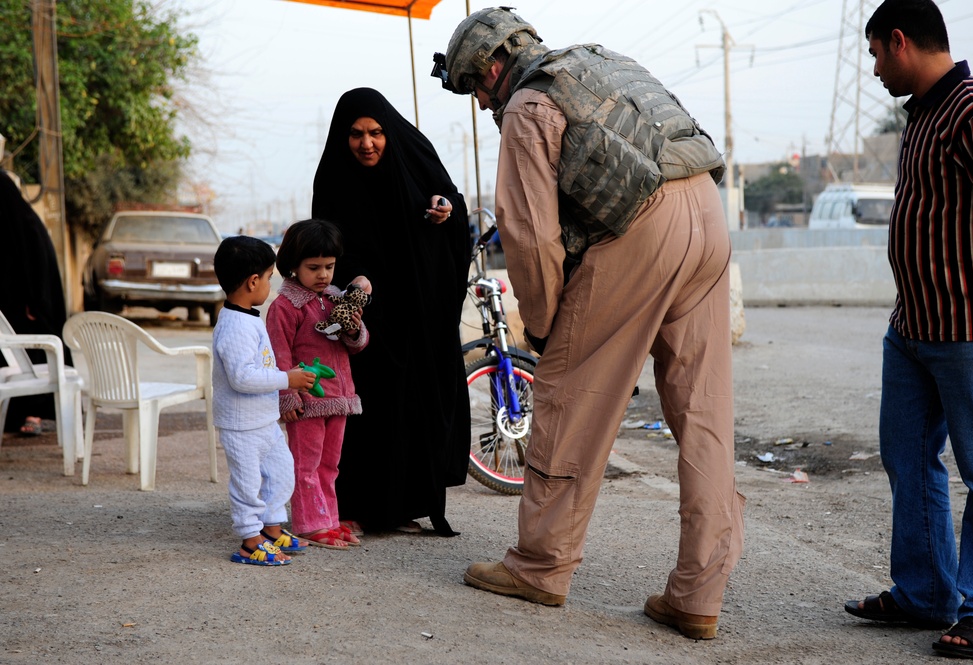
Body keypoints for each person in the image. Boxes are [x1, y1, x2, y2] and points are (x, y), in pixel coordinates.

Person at [434, 7, 744, 640]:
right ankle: (697, 594)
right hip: (708, 217)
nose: (481, 101)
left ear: (492, 66)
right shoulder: (603, 62)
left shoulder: (526, 104)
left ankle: (541, 566)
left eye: (474, 88)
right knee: (703, 411)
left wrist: (545, 328)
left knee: (567, 395)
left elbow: (528, 235)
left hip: (639, 231)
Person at [843, 0, 973, 658]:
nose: (875, 68)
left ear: (901, 41)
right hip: (912, 329)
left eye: (877, 53)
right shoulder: (925, 116)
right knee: (908, 459)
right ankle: (925, 591)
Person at [311, 88, 471, 537]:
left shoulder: (414, 158)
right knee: (371, 410)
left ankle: (405, 504)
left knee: (412, 406)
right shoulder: (333, 181)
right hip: (365, 314)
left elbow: (449, 203)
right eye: (357, 134)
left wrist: (446, 211)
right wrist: (354, 283)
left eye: (377, 133)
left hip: (416, 311)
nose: (367, 144)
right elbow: (327, 247)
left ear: (389, 132)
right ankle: (359, 505)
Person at [265, 219, 371, 550]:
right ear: (293, 266)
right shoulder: (285, 307)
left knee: (329, 465)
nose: (323, 274)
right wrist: (287, 397)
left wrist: (354, 330)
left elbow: (356, 344)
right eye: (314, 267)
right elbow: (278, 354)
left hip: (339, 396)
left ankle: (327, 518)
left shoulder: (336, 299)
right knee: (306, 465)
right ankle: (310, 524)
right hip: (307, 401)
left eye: (329, 266)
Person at [212, 235, 317, 566]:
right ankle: (250, 540)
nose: (270, 287)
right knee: (247, 484)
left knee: (282, 471)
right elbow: (242, 377)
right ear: (252, 281)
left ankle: (272, 528)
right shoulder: (234, 325)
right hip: (241, 424)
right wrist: (288, 378)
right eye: (269, 278)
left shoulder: (247, 317)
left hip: (264, 419)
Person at [0, 169, 72, 437]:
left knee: (36, 349)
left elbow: (38, 260)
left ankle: (35, 412)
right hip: (9, 300)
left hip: (31, 301)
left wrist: (37, 300)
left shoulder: (26, 224)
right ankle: (13, 414)